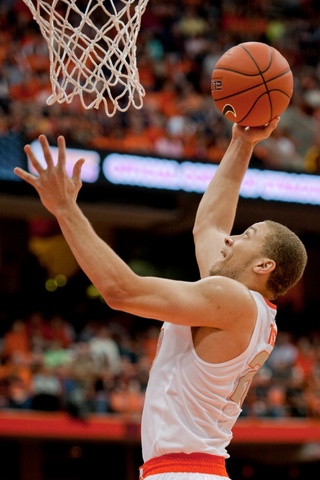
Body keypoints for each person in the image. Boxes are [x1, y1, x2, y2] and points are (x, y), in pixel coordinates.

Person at [14, 117, 307, 480]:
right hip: (191, 470)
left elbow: (121, 291)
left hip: (185, 472)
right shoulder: (246, 306)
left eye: (247, 234)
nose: (231, 238)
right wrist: (242, 144)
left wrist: (65, 209)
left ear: (264, 264)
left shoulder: (233, 299)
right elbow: (209, 226)